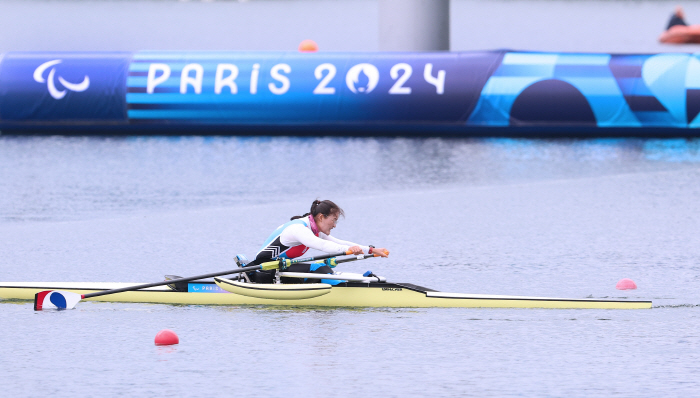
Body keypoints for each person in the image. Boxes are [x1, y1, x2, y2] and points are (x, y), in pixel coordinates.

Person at [249, 199, 389, 284]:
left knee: (322, 267)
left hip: (279, 267)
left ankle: (337, 285)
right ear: (321, 217)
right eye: (333, 220)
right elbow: (323, 246)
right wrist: (349, 251)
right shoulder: (298, 229)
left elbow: (340, 243)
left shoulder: (313, 228)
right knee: (319, 269)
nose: (334, 225)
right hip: (264, 269)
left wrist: (371, 250)